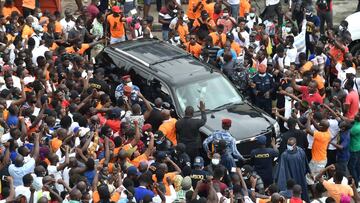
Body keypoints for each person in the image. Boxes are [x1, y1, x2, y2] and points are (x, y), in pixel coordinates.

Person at [275, 137, 310, 202]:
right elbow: (282, 170)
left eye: (290, 145)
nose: (289, 146)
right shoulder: (284, 155)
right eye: (288, 145)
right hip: (290, 178)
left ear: (295, 144)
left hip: (301, 177)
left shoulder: (301, 152)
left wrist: (308, 172)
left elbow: (305, 163)